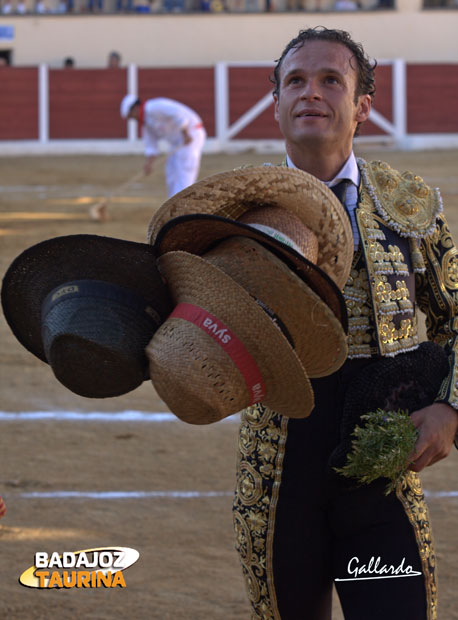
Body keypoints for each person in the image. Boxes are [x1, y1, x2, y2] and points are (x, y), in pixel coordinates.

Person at [232, 27, 458, 619]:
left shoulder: (407, 204)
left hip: (382, 474)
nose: (311, 93)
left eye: (331, 79)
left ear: (362, 106)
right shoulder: (235, 214)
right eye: (296, 81)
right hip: (279, 477)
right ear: (277, 101)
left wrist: (450, 409)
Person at [119, 94, 206, 197]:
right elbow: (151, 144)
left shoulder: (155, 106)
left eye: (131, 116)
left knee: (185, 169)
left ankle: (182, 206)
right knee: (171, 171)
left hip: (191, 133)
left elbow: (178, 113)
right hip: (178, 141)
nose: (134, 119)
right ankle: (172, 204)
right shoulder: (146, 123)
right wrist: (149, 163)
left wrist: (185, 133)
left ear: (135, 108)